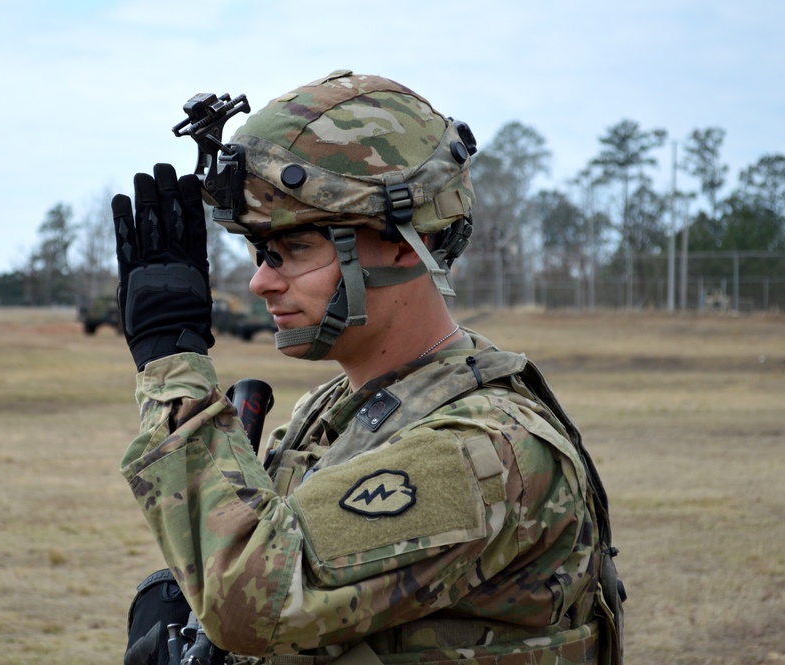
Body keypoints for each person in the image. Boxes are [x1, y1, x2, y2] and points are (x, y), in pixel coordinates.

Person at [114, 70, 623, 665]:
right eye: (259, 251)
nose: (259, 281)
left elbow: (259, 601)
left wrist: (172, 362)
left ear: (407, 242)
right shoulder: (332, 414)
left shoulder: (489, 448)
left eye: (296, 248)